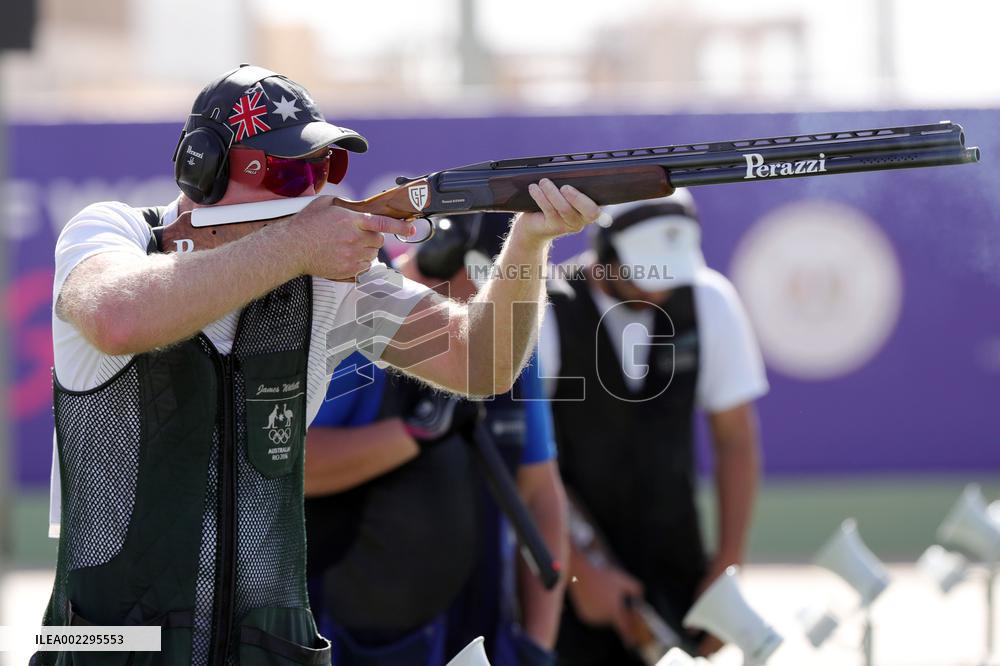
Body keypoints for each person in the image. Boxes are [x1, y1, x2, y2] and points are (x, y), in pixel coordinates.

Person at [36, 64, 601, 666]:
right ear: (203, 168)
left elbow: (480, 364)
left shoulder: (325, 282)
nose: (316, 191)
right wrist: (298, 244)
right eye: (291, 172)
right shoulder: (111, 232)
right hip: (107, 646)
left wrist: (530, 242)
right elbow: (118, 319)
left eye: (325, 168)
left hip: (268, 650)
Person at [302, 214, 568, 666]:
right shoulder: (362, 320)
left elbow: (540, 491)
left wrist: (538, 644)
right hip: (356, 639)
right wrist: (412, 434)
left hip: (479, 635)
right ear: (441, 258)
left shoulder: (510, 343)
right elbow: (291, 468)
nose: (492, 303)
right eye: (487, 283)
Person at [539, 190, 767, 664]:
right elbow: (523, 464)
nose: (660, 291)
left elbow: (735, 439)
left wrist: (727, 563)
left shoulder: (709, 300)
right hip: (562, 579)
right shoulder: (544, 308)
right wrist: (579, 572)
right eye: (645, 274)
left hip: (677, 564)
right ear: (602, 252)